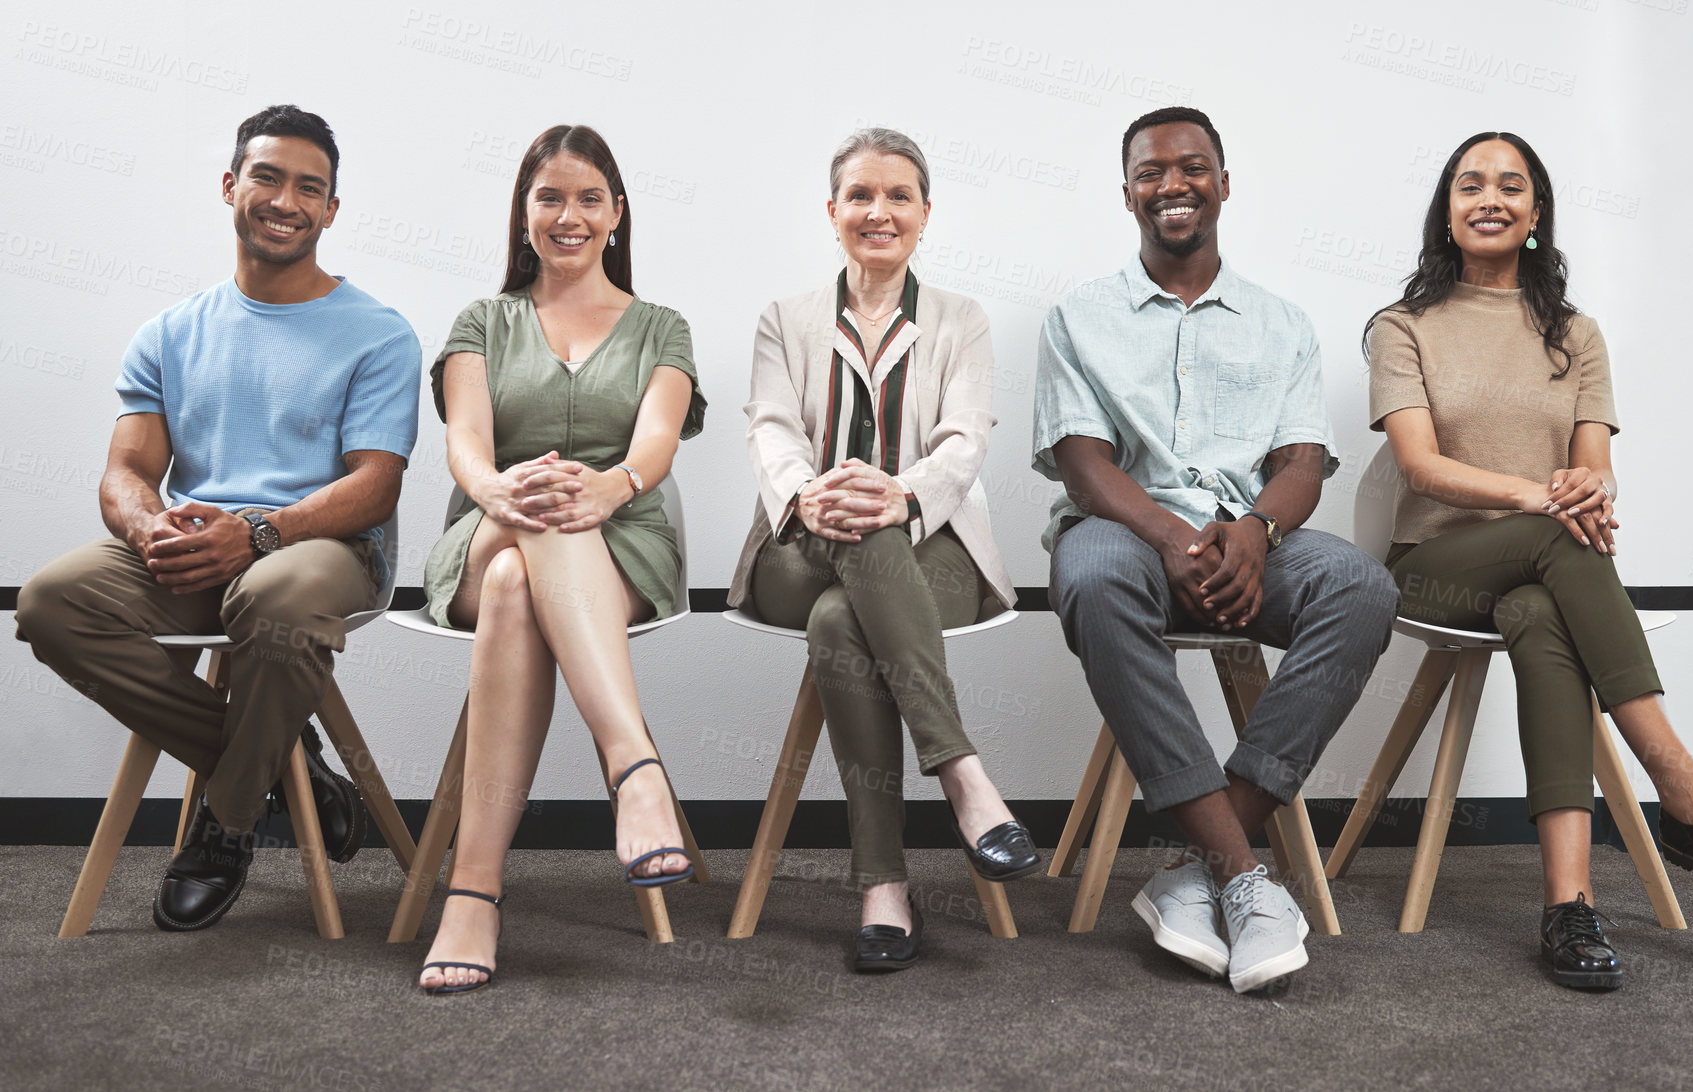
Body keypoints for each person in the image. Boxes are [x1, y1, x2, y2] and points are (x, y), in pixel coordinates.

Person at [1366, 131, 1693, 991]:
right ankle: (1684, 790)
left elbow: (1594, 468)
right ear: (1446, 210)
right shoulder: (1401, 327)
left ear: (1536, 214)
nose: (1488, 198)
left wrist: (1584, 485)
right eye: (1469, 185)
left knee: (1541, 615)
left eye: (1510, 185)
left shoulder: (1575, 333)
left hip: (1540, 568)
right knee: (1550, 534)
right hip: (1429, 568)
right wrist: (1545, 497)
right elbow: (1421, 468)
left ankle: (1567, 908)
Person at [15, 105, 419, 931]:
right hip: (203, 548)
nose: (286, 199)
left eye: (311, 188)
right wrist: (148, 528)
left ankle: (227, 821)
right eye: (268, 177)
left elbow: (375, 487)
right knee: (52, 602)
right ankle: (279, 764)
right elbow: (128, 470)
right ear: (231, 185)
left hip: (321, 548)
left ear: (331, 211)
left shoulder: (378, 334)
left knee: (269, 601)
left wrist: (262, 533)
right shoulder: (170, 332)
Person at [1036, 107, 1400, 994]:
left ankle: (1197, 868)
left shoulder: (1281, 322)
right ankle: (1243, 874)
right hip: (1125, 535)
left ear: (1223, 184)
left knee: (1359, 588)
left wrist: (1255, 533)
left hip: (1252, 541)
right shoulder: (1077, 316)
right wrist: (1168, 534)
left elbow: (1303, 460)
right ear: (1126, 194)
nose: (1172, 185)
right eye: (1151, 173)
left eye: (1191, 168)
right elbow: (1083, 465)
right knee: (1087, 577)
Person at [729, 128, 1036, 974]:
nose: (878, 211)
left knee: (842, 620)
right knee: (848, 550)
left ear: (924, 214)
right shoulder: (783, 320)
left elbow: (963, 440)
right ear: (832, 212)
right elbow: (770, 429)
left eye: (898, 196)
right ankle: (966, 778)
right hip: (799, 548)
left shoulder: (960, 320)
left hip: (932, 550)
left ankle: (882, 888)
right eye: (860, 195)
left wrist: (898, 496)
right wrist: (808, 494)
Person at [413, 124, 706, 995]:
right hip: (489, 527)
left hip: (621, 540)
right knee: (531, 523)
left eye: (587, 198)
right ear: (524, 212)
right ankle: (632, 766)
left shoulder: (662, 326)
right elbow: (466, 443)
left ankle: (472, 895)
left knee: (519, 579)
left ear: (617, 213)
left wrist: (611, 487)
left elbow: (656, 442)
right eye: (549, 197)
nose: (567, 216)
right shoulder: (484, 321)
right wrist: (501, 492)